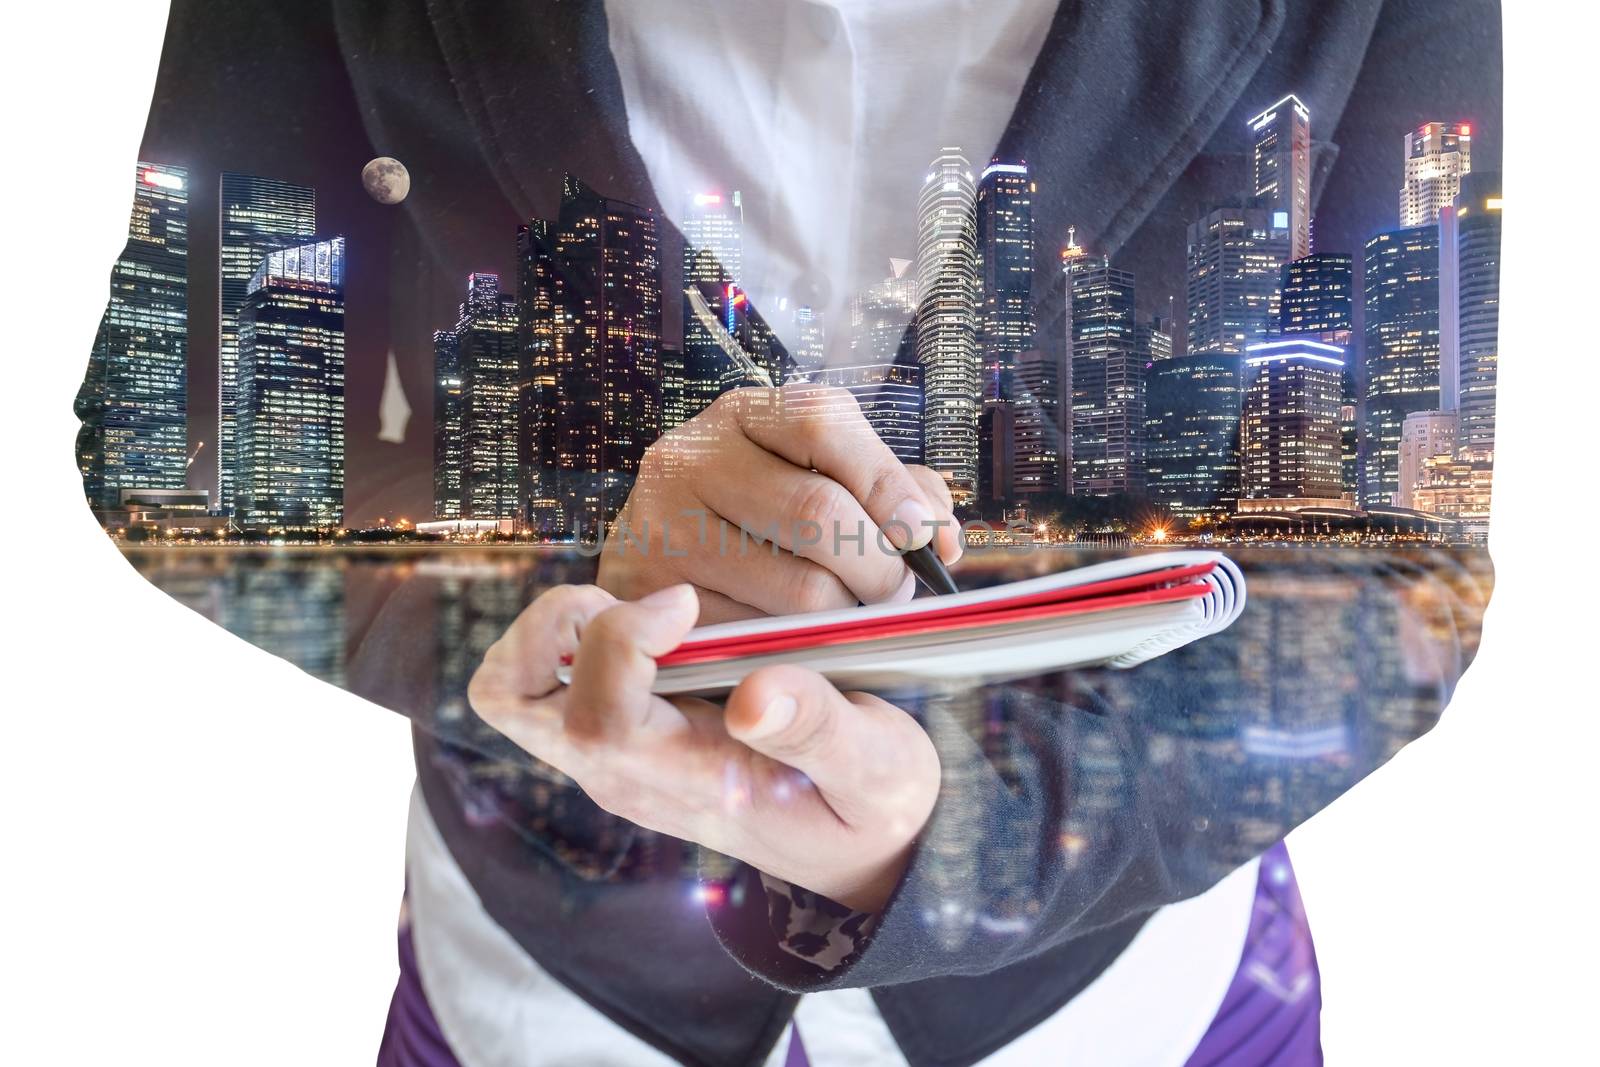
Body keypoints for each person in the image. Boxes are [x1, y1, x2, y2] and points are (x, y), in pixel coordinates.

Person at [79, 2, 1500, 1063]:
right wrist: (588, 600)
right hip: (544, 985)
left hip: (1127, 986)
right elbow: (191, 430)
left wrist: (974, 823)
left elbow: (1394, 559)